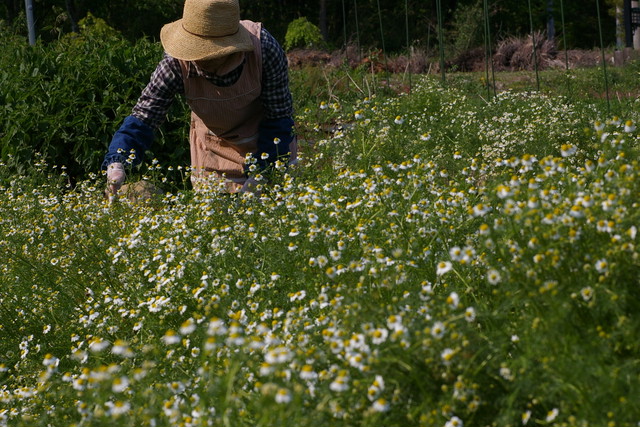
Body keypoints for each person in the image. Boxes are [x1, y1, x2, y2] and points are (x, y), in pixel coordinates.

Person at [104, 0, 296, 195]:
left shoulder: (263, 49)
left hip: (265, 143)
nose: (200, 59)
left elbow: (278, 117)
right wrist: (118, 160)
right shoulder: (175, 62)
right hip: (211, 151)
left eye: (208, 54)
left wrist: (264, 173)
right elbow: (145, 115)